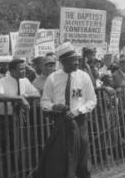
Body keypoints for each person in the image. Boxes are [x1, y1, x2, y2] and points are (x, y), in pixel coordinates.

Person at [38, 42, 96, 178]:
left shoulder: (84, 77)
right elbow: (44, 101)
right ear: (63, 62)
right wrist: (53, 106)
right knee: (61, 159)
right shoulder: (53, 78)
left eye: (77, 59)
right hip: (61, 123)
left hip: (80, 122)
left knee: (81, 158)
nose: (77, 63)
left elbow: (92, 100)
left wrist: (77, 111)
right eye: (73, 60)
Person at [0, 59, 40, 177]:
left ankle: (19, 171)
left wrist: (25, 95)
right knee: (5, 147)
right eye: (21, 69)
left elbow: (37, 94)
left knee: (21, 145)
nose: (24, 71)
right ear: (12, 70)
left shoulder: (25, 81)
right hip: (5, 119)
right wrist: (18, 98)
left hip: (20, 118)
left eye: (25, 68)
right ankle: (5, 173)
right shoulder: (2, 81)